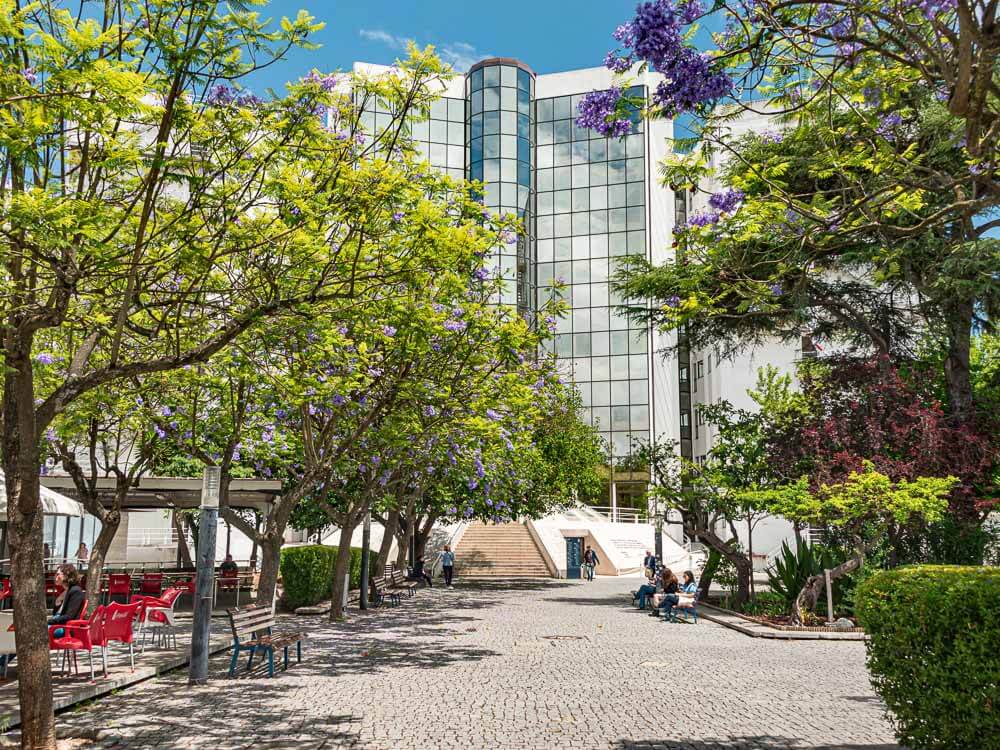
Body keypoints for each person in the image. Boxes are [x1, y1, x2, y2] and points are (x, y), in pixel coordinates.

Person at [49, 564, 86, 638]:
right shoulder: (67, 591)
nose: (55, 576)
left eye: (58, 574)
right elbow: (55, 613)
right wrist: (58, 602)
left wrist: (49, 621)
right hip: (60, 625)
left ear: (66, 575)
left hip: (67, 628)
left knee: (38, 631)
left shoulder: (76, 591)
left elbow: (69, 616)